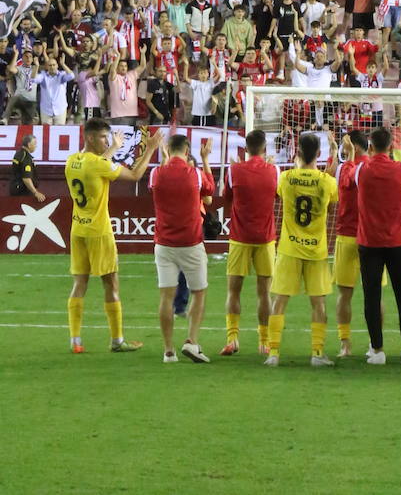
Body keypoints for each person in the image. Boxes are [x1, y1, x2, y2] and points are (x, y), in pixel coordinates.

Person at [65, 117, 160, 354]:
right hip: (99, 231)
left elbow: (97, 163)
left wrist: (113, 148)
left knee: (79, 283)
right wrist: (149, 149)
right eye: (103, 137)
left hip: (77, 229)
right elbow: (136, 175)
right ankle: (117, 340)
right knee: (111, 283)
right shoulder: (98, 164)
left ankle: (75, 340)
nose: (107, 140)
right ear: (89, 137)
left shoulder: (72, 161)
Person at [346, 124, 401, 364]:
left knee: (372, 297)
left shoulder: (361, 169)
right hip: (397, 242)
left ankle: (377, 350)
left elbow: (346, 179)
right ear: (392, 146)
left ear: (370, 147)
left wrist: (350, 154)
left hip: (369, 243)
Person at [265, 130, 338, 367]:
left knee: (279, 301)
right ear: (319, 153)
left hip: (289, 249)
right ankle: (317, 353)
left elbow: (278, 193)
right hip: (316, 250)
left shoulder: (286, 178)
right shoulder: (327, 181)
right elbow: (335, 197)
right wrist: (333, 160)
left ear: (297, 152)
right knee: (318, 303)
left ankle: (273, 352)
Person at [149, 133, 215, 364]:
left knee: (166, 296)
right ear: (187, 152)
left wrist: (164, 159)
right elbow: (210, 190)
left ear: (168, 148)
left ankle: (168, 351)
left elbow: (155, 185)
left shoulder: (156, 173)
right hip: (190, 242)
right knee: (199, 291)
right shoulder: (195, 174)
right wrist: (206, 160)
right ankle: (191, 341)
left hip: (164, 243)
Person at [221, 128, 279, 357]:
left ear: (245, 149)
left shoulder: (234, 171)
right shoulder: (274, 170)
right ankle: (264, 342)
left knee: (233, 291)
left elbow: (226, 199)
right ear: (265, 149)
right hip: (265, 239)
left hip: (240, 238)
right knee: (264, 293)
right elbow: (278, 195)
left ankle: (232, 339)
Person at [332, 128, 370, 357]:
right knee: (373, 294)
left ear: (353, 147)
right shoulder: (374, 165)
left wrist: (346, 158)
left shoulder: (345, 168)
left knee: (344, 294)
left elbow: (344, 183)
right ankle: (375, 343)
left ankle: (345, 344)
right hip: (371, 238)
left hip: (348, 236)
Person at [9, 132, 44, 201]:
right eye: (35, 143)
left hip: (15, 188)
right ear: (29, 145)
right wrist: (35, 192)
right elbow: (26, 178)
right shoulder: (26, 158)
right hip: (22, 191)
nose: (36, 146)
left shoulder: (18, 153)